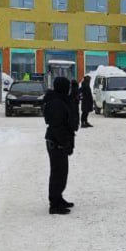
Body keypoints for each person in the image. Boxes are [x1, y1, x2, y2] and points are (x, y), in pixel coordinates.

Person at [42, 76, 77, 213]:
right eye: (67, 87)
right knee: (57, 173)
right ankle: (54, 204)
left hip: (60, 142)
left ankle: (58, 197)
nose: (69, 90)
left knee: (62, 172)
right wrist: (64, 143)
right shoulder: (56, 102)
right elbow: (57, 126)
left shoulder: (60, 99)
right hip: (56, 142)